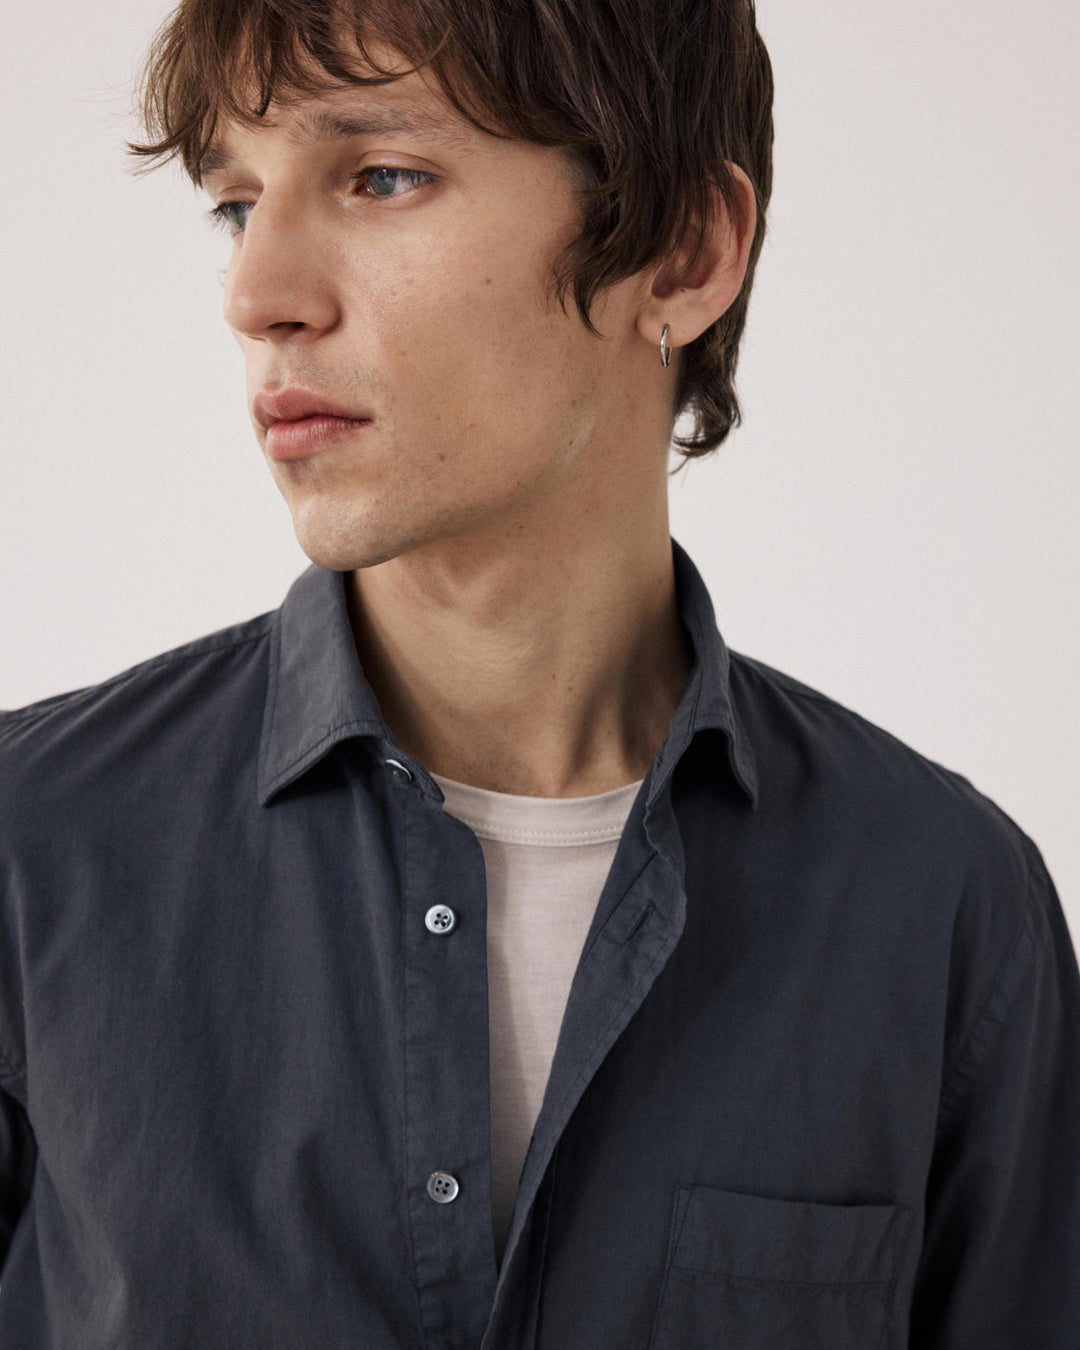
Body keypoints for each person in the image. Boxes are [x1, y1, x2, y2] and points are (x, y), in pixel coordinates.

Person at [0, 0, 1077, 1344]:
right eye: (234, 200)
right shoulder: (30, 849)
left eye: (381, 177)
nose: (257, 296)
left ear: (683, 249)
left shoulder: (948, 907)